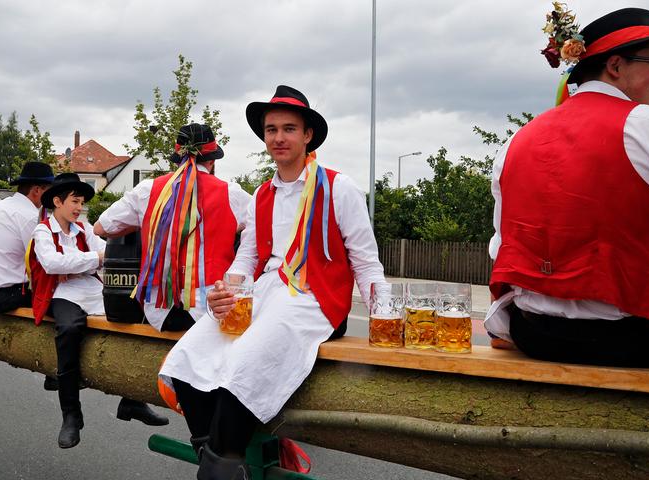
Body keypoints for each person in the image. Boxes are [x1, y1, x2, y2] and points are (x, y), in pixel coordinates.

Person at [159, 85, 386, 479]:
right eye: (271, 130)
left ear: (307, 135)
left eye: (289, 129)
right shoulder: (262, 193)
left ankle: (219, 467)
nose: (278, 138)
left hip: (315, 300)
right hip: (264, 294)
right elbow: (246, 258)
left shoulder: (339, 187)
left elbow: (366, 262)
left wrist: (384, 320)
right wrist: (225, 290)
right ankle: (221, 463)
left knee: (244, 364)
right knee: (189, 357)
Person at [484, 7, 649, 367]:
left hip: (535, 335)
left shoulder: (516, 142)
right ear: (615, 66)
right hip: (637, 341)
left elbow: (503, 250)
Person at [27, 172, 168, 449]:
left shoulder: (84, 229)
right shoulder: (43, 230)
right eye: (75, 202)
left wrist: (83, 262)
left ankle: (132, 401)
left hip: (93, 292)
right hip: (63, 294)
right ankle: (71, 416)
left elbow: (107, 254)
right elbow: (53, 264)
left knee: (136, 317)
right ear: (57, 201)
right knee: (68, 330)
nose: (79, 208)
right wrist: (93, 259)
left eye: (81, 203)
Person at [94, 123, 250, 331]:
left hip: (159, 311)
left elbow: (100, 228)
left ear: (178, 159)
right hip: (211, 310)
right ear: (211, 161)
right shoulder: (232, 193)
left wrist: (144, 224)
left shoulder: (147, 190)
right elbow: (260, 226)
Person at [0, 161, 54, 313]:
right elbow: (46, 261)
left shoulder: (0, 206)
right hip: (0, 297)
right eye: (50, 191)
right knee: (65, 304)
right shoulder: (28, 216)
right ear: (37, 190)